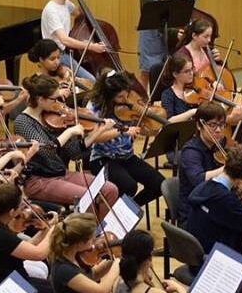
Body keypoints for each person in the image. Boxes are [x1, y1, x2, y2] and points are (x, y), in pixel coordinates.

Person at [14, 73, 118, 212]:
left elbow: (74, 153)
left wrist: (98, 131)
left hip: (61, 173)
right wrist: (69, 132)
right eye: (55, 99)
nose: (59, 103)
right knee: (89, 199)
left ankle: (98, 230)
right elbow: (45, 149)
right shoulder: (23, 121)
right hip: (39, 180)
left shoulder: (54, 118)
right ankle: (89, 232)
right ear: (40, 99)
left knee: (110, 190)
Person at [177, 103, 242, 223]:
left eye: (222, 125)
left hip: (219, 202)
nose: (218, 130)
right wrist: (231, 167)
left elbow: (235, 180)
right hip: (197, 211)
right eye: (212, 125)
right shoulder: (191, 152)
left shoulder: (224, 143)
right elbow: (199, 180)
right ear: (199, 125)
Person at [85, 70, 165, 207]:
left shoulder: (129, 104)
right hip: (103, 158)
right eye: (121, 97)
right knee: (129, 186)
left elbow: (144, 131)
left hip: (127, 156)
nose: (126, 100)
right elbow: (93, 138)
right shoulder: (94, 107)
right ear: (109, 96)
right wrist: (122, 131)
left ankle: (128, 210)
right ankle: (115, 215)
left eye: (127, 94)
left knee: (159, 183)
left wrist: (150, 127)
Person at [186, 147, 242, 258]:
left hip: (197, 252)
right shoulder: (225, 199)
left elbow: (224, 213)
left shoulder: (205, 185)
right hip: (214, 261)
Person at [138, 0, 198, 92]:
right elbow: (155, 20)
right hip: (151, 39)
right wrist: (174, 33)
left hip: (167, 40)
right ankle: (141, 98)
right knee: (147, 72)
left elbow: (188, 0)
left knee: (165, 71)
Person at [41, 0, 100, 82]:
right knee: (92, 80)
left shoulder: (65, 3)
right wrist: (91, 46)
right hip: (58, 56)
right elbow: (64, 40)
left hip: (66, 52)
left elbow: (78, 13)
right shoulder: (51, 10)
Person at [159, 53, 198, 123]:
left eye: (192, 69)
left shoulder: (197, 87)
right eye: (187, 71)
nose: (191, 73)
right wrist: (192, 112)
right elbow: (169, 120)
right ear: (175, 74)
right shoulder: (167, 94)